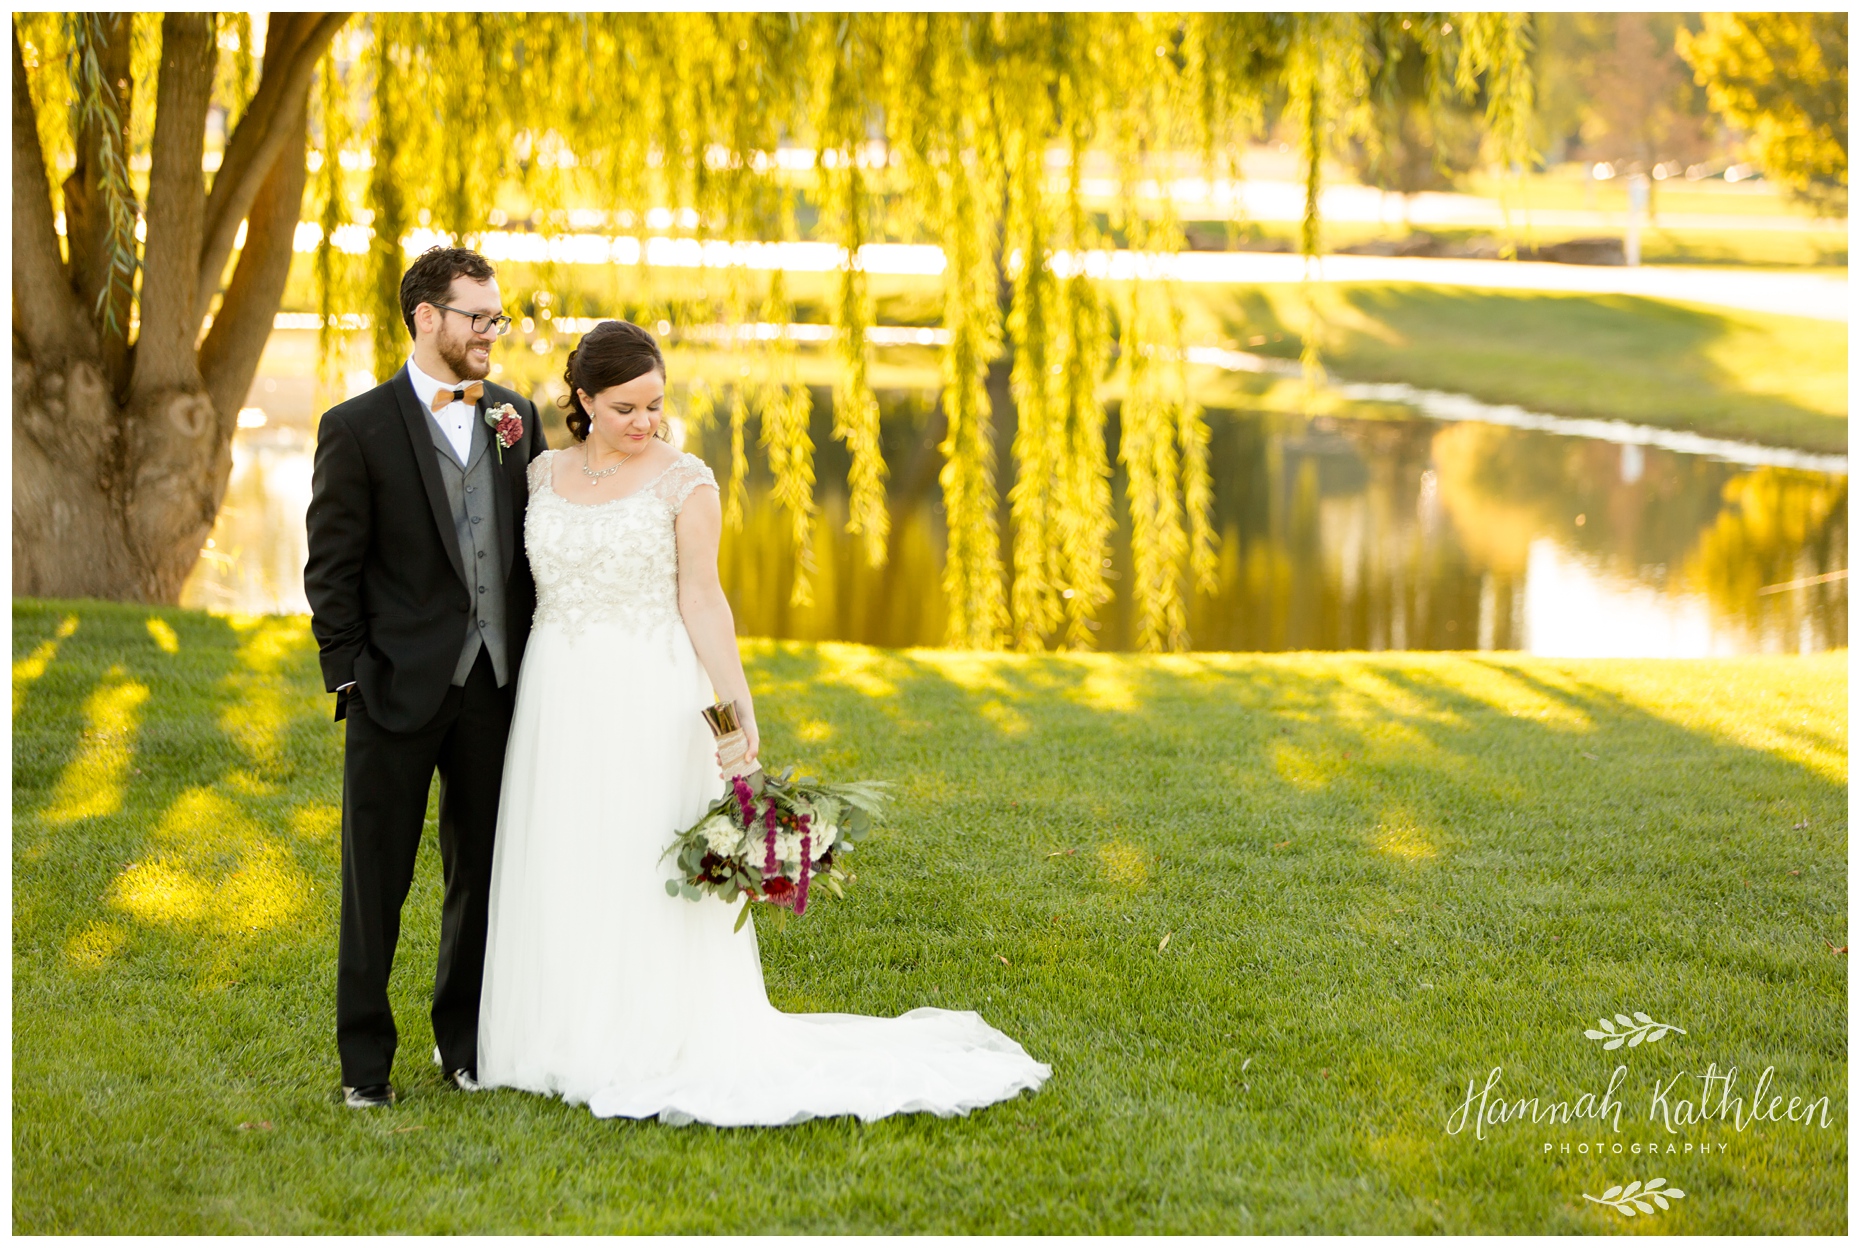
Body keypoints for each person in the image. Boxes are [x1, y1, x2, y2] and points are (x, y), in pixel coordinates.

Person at [476, 321, 1050, 1125]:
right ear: (582, 401)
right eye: (626, 407)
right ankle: (550, 1032)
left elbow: (703, 601)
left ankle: (645, 1036)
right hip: (557, 693)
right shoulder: (538, 475)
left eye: (656, 405)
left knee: (639, 855)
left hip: (649, 691)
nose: (647, 423)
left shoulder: (686, 482)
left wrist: (734, 717)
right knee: (565, 847)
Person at [304, 246, 547, 1109]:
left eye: (497, 317)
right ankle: (364, 1066)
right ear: (426, 318)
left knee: (480, 873)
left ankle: (466, 1044)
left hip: (496, 687)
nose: (490, 332)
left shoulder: (516, 418)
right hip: (393, 689)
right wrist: (348, 677)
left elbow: (528, 553)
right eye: (476, 316)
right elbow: (331, 568)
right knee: (377, 883)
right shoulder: (356, 426)